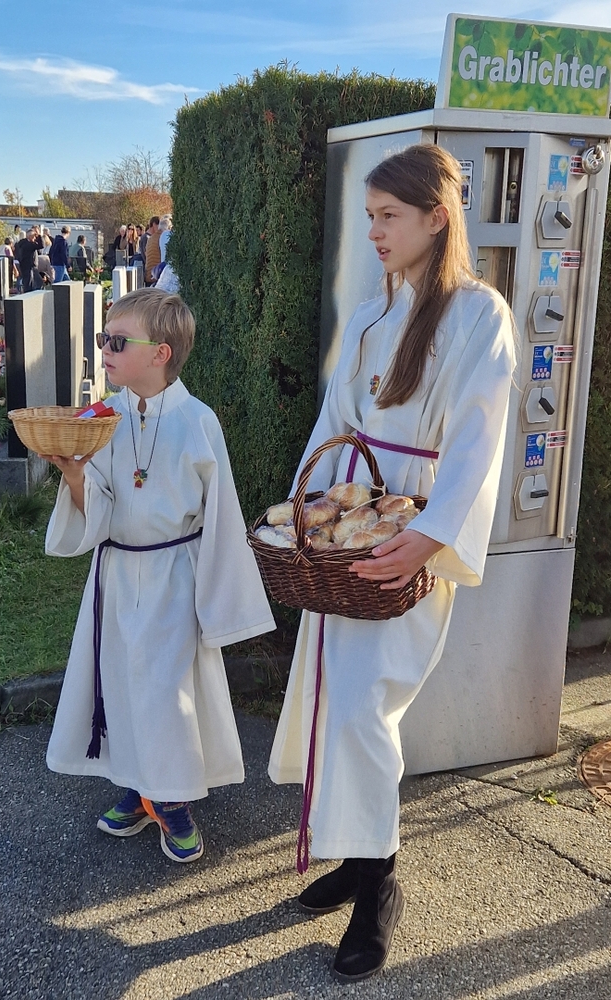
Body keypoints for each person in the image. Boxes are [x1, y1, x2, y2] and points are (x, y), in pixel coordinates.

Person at [267, 144, 516, 984]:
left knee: (366, 707)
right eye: (369, 216)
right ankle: (356, 856)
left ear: (436, 219)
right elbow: (333, 422)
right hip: (350, 533)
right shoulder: (373, 312)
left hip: (411, 534)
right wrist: (305, 516)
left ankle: (379, 889)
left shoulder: (479, 314)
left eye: (388, 216)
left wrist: (433, 533)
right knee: (335, 698)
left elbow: (480, 436)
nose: (373, 231)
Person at [42, 288, 275, 864]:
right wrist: (74, 475)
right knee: (121, 682)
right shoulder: (100, 419)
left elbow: (221, 514)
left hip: (174, 577)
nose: (105, 350)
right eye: (104, 339)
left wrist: (219, 602)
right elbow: (95, 502)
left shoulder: (198, 422)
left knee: (168, 693)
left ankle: (171, 800)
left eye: (117, 342)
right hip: (118, 573)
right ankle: (136, 784)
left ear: (160, 353)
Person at [14, 226, 42, 293]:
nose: (35, 238)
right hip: (29, 266)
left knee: (29, 282)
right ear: (30, 237)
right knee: (29, 283)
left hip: (23, 265)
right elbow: (41, 245)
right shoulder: (29, 245)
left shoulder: (21, 243)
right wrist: (39, 235)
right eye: (34, 237)